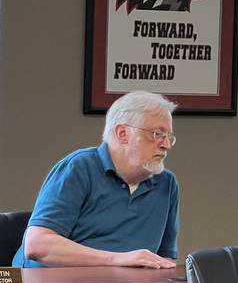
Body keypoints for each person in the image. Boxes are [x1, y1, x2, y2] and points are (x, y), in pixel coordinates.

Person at [13, 91, 179, 269]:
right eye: (156, 134)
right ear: (122, 133)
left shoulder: (166, 184)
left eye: (169, 137)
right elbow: (37, 245)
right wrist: (118, 259)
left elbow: (165, 259)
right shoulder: (79, 168)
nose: (166, 145)